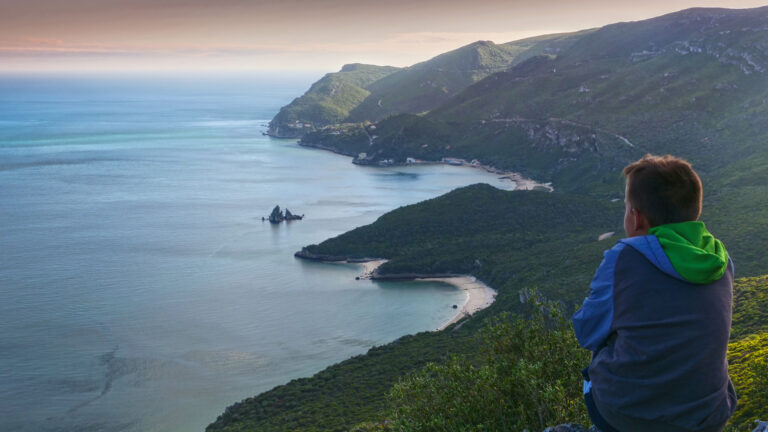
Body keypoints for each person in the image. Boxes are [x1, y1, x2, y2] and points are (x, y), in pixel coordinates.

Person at [572, 154, 737, 432]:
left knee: (603, 344)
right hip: (709, 418)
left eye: (626, 208)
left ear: (636, 218)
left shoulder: (624, 258)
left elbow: (586, 333)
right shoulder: (721, 259)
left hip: (629, 418)